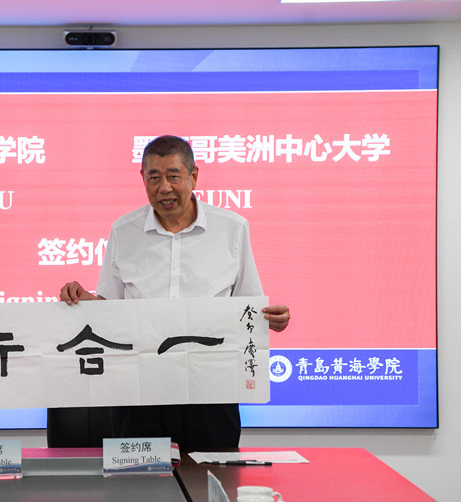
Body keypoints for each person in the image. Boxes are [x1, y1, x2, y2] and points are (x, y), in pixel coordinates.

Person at [60, 135, 290, 450]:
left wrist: (274, 319)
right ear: (142, 178)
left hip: (211, 388)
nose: (164, 188)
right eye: (154, 177)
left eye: (173, 176)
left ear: (194, 176)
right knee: (139, 476)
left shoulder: (232, 228)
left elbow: (249, 306)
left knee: (212, 473)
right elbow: (109, 307)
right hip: (140, 389)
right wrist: (84, 300)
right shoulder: (124, 231)